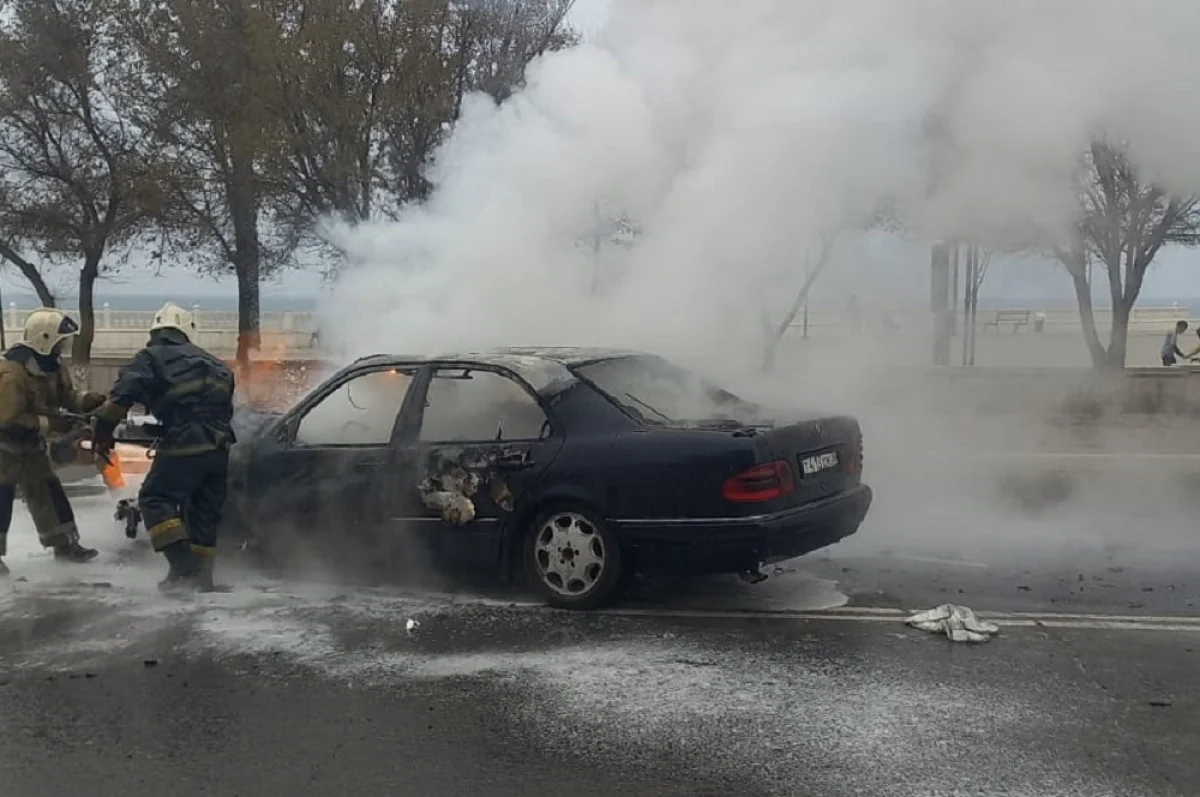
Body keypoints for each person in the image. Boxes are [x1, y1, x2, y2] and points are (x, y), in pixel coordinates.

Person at [91, 302, 236, 593]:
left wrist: (103, 430)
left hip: (186, 441)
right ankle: (203, 579)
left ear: (156, 332)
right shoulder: (215, 363)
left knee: (155, 498)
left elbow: (123, 396)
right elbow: (218, 409)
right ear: (187, 331)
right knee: (203, 510)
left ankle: (183, 568)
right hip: (220, 446)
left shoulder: (151, 357)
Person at [0, 308, 106, 574]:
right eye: (60, 341)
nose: (63, 347)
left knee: (48, 491)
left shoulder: (52, 367)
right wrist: (52, 424)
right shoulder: (13, 374)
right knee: (1, 498)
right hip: (4, 446)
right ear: (44, 338)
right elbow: (7, 417)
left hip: (30, 445)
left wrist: (88, 401)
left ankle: (65, 544)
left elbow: (65, 397)